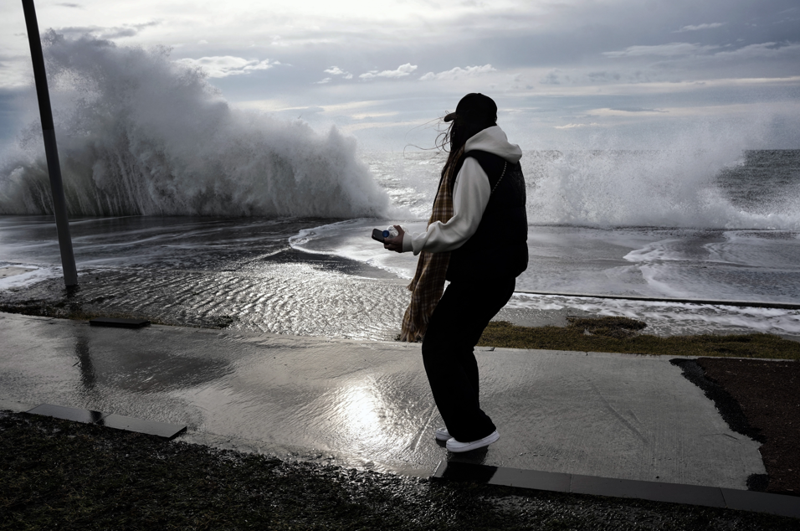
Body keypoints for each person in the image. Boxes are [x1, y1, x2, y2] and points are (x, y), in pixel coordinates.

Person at [383, 93, 528, 453]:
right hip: (497, 273)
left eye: (455, 124)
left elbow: (462, 227)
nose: (451, 133)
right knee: (457, 346)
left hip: (482, 276)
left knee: (438, 348)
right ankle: (463, 420)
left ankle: (473, 429)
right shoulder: (505, 158)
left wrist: (409, 242)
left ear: (463, 124)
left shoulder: (476, 163)